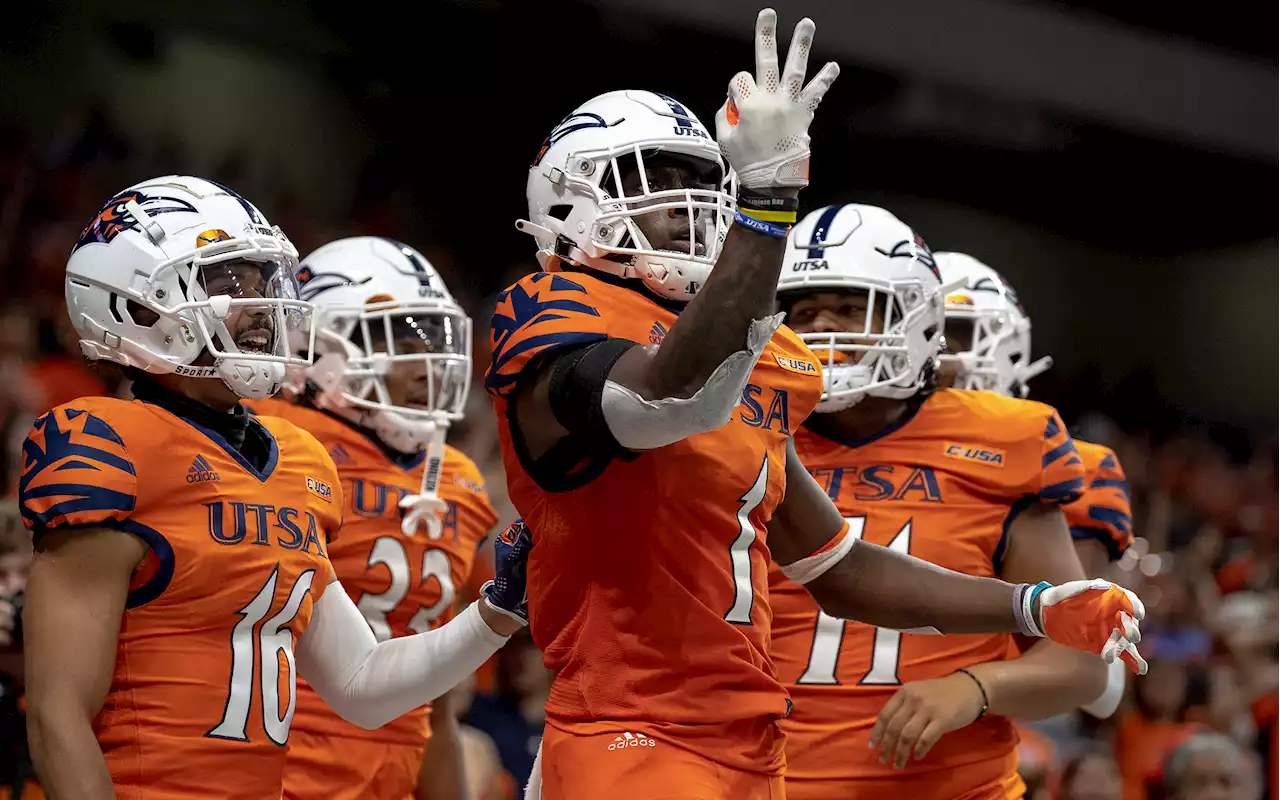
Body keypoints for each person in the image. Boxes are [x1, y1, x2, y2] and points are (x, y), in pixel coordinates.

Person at [487, 9, 1143, 799]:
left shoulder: (764, 358)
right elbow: (669, 393)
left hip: (753, 739)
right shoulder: (547, 309)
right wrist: (765, 202)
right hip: (633, 728)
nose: (689, 204)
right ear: (572, 198)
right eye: (658, 180)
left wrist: (1034, 605)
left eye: (702, 181)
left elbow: (836, 564)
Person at [19, 176, 530, 800]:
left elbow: (363, 685)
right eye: (230, 283)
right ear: (139, 303)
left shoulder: (296, 459)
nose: (262, 306)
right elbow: (57, 716)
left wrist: (496, 613)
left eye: (264, 282)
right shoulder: (106, 444)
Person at [767, 202, 1109, 799]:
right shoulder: (752, 429)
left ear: (915, 317)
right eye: (805, 311)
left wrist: (976, 688)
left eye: (851, 308)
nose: (824, 330)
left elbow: (1081, 663)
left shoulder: (1007, 437)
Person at [246, 237, 500, 800]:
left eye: (432, 339)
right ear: (320, 347)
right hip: (275, 767)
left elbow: (433, 699)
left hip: (393, 771)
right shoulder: (270, 441)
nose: (425, 362)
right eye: (399, 339)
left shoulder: (455, 478)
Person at [936, 251, 1135, 720]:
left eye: (952, 333)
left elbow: (1091, 668)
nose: (934, 350)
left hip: (1001, 712)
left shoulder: (1060, 459)